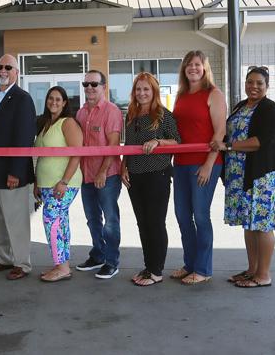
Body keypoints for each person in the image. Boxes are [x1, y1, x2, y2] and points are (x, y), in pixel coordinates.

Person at [211, 66, 275, 288]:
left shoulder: (271, 109)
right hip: (239, 175)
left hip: (260, 175)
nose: (253, 86)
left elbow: (260, 141)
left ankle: (263, 275)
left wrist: (229, 146)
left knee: (262, 224)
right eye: (250, 82)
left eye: (259, 83)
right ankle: (251, 270)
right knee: (249, 223)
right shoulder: (241, 106)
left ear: (267, 86)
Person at [0, 54, 37, 281]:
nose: (3, 70)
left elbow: (24, 137)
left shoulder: (22, 99)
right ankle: (4, 258)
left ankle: (22, 263)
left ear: (16, 72)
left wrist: (16, 171)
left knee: (16, 221)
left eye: (8, 67)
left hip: (10, 173)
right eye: (0, 66)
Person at [171, 50, 227, 285]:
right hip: (181, 164)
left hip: (205, 164)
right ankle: (190, 263)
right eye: (188, 65)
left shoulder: (213, 94)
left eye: (197, 64)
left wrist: (208, 164)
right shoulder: (181, 95)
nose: (193, 68)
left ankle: (203, 269)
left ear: (204, 68)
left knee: (201, 216)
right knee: (182, 216)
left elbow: (220, 132)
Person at [121, 72, 181, 286]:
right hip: (134, 176)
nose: (142, 93)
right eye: (138, 89)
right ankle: (148, 267)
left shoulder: (163, 114)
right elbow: (128, 145)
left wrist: (158, 141)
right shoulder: (131, 114)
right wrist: (123, 167)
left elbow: (177, 142)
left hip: (158, 174)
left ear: (154, 91)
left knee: (155, 223)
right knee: (142, 224)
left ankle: (156, 271)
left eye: (146, 89)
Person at [75, 70, 123, 279]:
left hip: (108, 175)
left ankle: (112, 262)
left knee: (110, 220)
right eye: (86, 84)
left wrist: (102, 172)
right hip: (86, 175)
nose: (89, 88)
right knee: (92, 219)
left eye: (94, 84)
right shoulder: (81, 113)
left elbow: (113, 146)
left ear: (104, 86)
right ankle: (98, 255)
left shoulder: (111, 111)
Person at [33, 86, 83, 282]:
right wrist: (37, 182)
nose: (53, 102)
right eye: (50, 98)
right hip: (46, 184)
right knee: (60, 222)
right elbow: (40, 157)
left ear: (64, 103)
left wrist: (64, 181)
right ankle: (61, 264)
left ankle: (62, 266)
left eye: (58, 99)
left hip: (64, 184)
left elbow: (76, 153)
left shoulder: (68, 123)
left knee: (51, 220)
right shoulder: (45, 123)